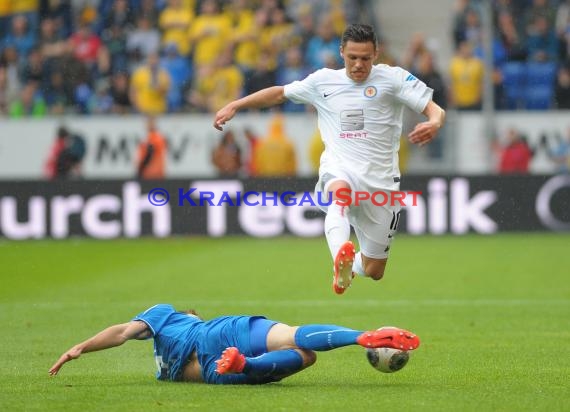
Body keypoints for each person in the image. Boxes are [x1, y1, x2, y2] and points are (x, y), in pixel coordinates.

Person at [213, 23, 445, 295]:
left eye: (365, 58)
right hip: (340, 167)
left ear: (376, 54)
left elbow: (434, 108)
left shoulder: (393, 79)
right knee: (340, 194)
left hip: (381, 183)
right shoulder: (323, 81)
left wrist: (435, 122)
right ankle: (339, 259)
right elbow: (279, 93)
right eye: (352, 57)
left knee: (374, 270)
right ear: (341, 53)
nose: (359, 64)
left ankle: (352, 265)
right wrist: (235, 105)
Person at [49, 303, 420, 385]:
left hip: (203, 365)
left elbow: (122, 332)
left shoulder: (161, 318)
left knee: (302, 357)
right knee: (296, 340)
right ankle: (358, 337)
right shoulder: (178, 317)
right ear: (190, 311)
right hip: (223, 332)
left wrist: (81, 347)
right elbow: (124, 331)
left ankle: (245, 366)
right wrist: (83, 346)